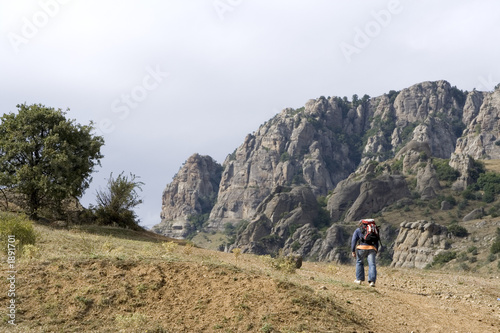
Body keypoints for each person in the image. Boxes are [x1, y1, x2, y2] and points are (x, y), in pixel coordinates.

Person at [351, 219, 379, 287]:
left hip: (361, 248)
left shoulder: (358, 230)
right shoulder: (374, 230)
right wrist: (376, 250)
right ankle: (372, 282)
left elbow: (354, 240)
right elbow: (377, 240)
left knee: (359, 262)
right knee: (372, 264)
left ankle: (359, 280)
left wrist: (353, 251)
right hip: (372, 248)